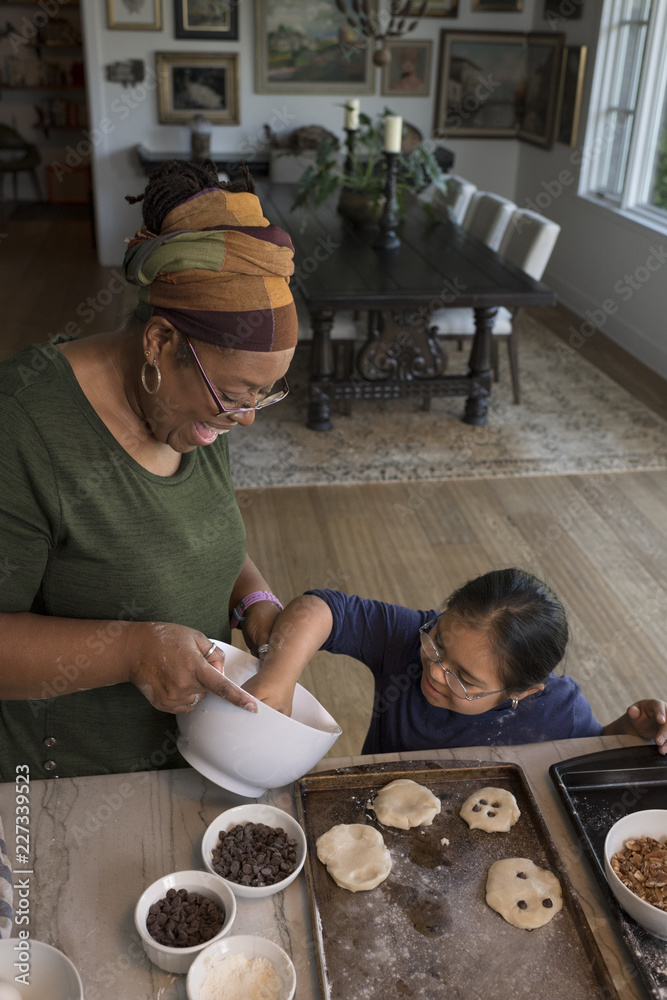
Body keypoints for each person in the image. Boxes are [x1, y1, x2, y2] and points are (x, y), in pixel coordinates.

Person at [0, 159, 299, 781]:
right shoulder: (22, 426)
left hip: (195, 753)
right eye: (237, 396)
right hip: (69, 784)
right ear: (159, 342)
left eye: (263, 397)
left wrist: (257, 604)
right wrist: (134, 651)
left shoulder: (191, 405)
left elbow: (199, 534)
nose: (246, 420)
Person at [243, 568, 667, 755]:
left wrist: (629, 731)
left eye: (465, 679)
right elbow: (322, 607)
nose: (436, 671)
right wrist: (277, 678)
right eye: (438, 644)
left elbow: (586, 753)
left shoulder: (559, 709)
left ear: (524, 692)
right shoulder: (407, 637)